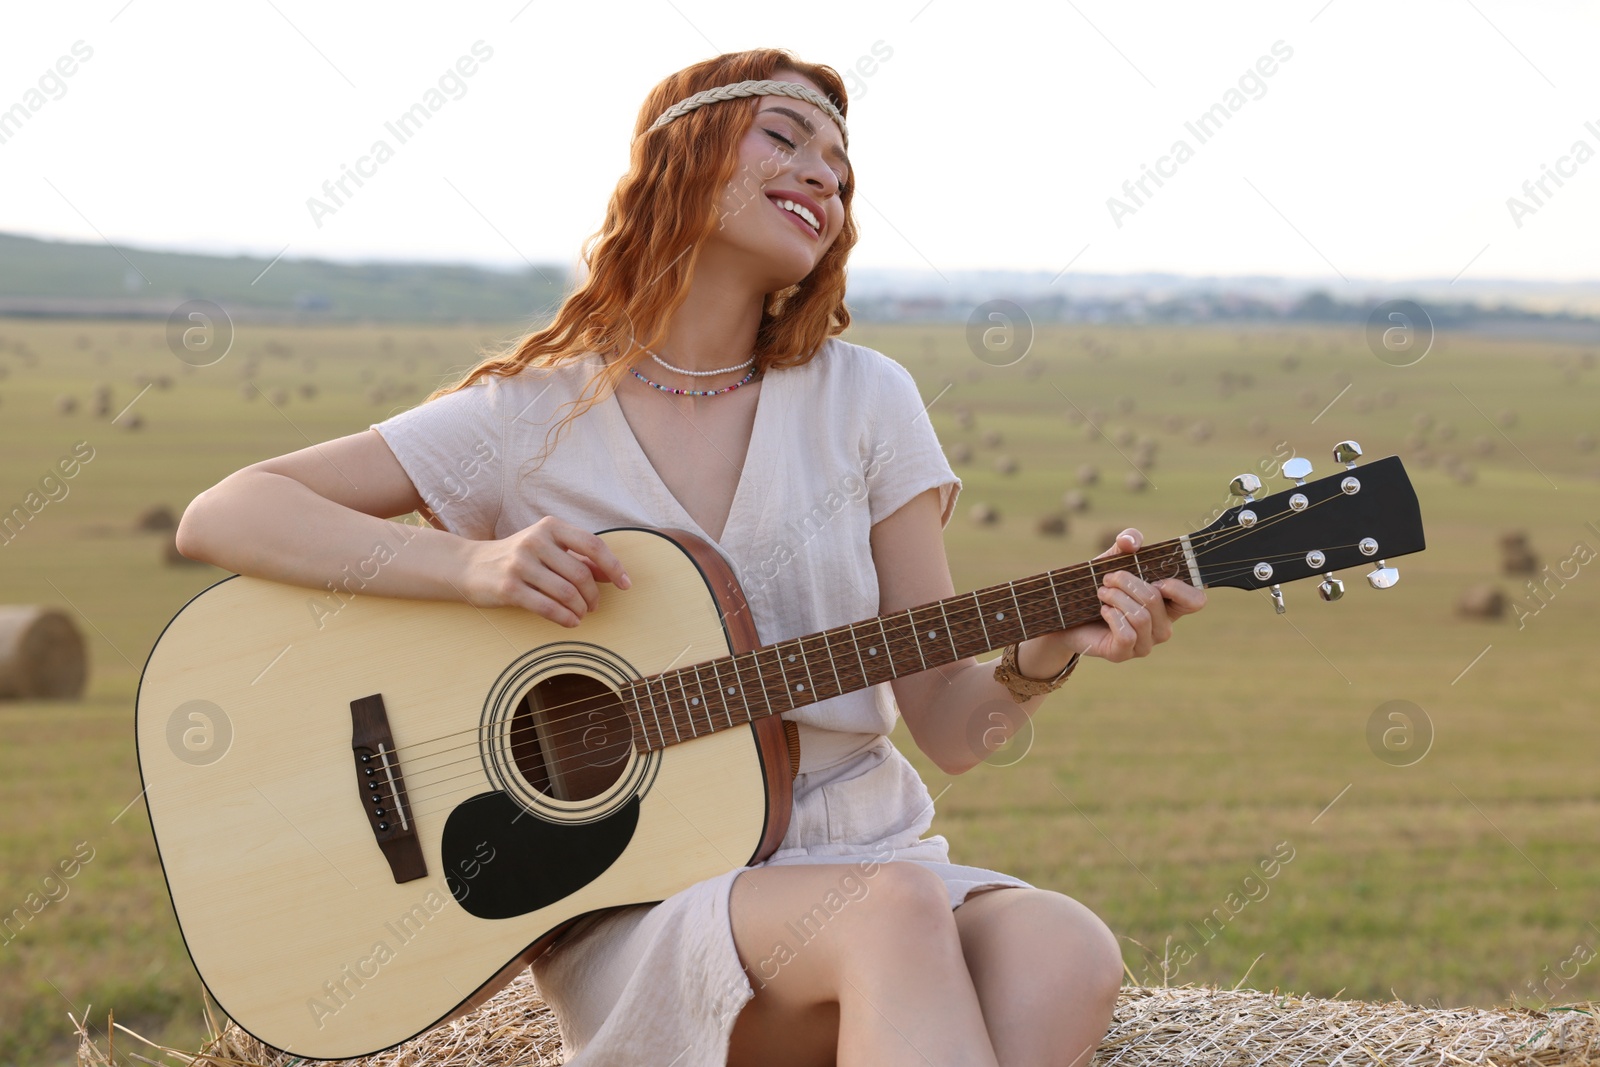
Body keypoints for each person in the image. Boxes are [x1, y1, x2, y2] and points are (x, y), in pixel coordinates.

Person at [176, 47, 1205, 1067]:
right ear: (683, 154)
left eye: (841, 171)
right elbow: (227, 511)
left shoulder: (868, 400)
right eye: (786, 136)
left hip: (866, 848)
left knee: (1063, 948)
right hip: (642, 885)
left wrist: (1036, 658)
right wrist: (473, 569)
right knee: (889, 913)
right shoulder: (529, 413)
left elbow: (948, 723)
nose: (824, 176)